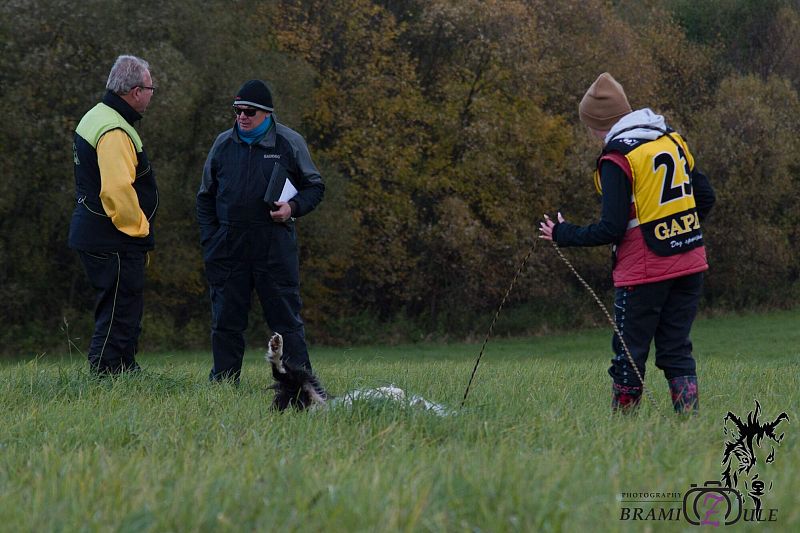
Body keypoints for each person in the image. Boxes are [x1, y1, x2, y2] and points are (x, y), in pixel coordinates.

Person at [538, 72, 715, 413]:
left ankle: (622, 430)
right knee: (676, 349)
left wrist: (563, 233)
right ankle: (690, 424)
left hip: (644, 272)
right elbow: (705, 197)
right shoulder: (670, 140)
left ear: (597, 124)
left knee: (629, 357)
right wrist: (679, 231)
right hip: (690, 263)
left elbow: (611, 229)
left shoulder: (617, 157)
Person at [197, 79, 324, 382]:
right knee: (226, 321)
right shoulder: (223, 144)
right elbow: (205, 197)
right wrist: (211, 241)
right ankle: (224, 385)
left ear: (266, 114)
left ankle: (302, 386)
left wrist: (291, 209)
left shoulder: (289, 143)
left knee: (286, 321)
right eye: (238, 111)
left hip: (274, 245)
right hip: (229, 245)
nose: (242, 116)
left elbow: (315, 187)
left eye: (249, 111)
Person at [68, 55, 158, 375]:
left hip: (93, 229)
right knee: (119, 307)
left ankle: (125, 368)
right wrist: (139, 230)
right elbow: (117, 189)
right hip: (114, 236)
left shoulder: (96, 116)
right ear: (135, 91)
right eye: (150, 88)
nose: (151, 93)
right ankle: (105, 371)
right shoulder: (114, 129)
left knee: (123, 303)